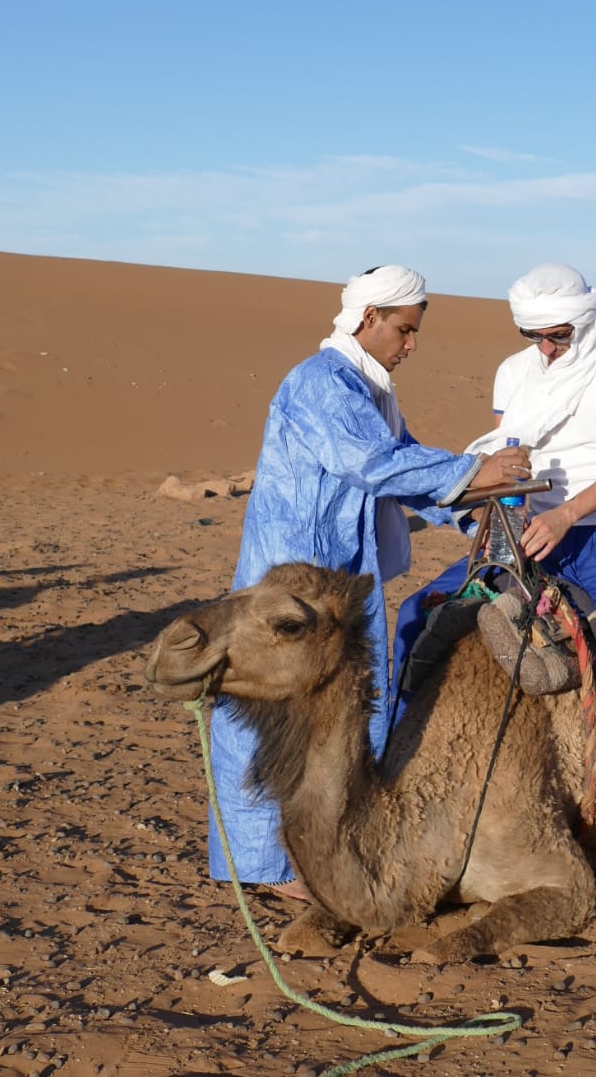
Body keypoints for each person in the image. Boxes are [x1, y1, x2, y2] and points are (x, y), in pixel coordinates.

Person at [209, 264, 528, 894]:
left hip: (341, 580)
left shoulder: (369, 391)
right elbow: (374, 463)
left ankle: (332, 847)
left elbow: (408, 468)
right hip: (291, 579)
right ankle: (263, 868)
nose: (410, 345)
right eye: (404, 331)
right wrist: (476, 471)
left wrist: (478, 514)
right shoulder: (321, 383)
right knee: (265, 711)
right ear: (368, 319)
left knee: (339, 710)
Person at [474, 262, 596, 900]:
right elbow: (506, 454)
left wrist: (567, 513)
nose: (547, 349)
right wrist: (501, 495)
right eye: (535, 337)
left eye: (557, 335)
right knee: (424, 611)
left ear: (584, 320)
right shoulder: (513, 371)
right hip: (528, 520)